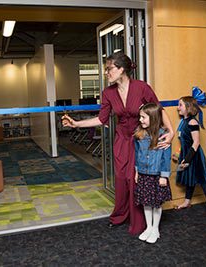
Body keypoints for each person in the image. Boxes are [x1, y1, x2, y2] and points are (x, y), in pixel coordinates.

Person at [62, 51, 174, 235]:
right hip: (121, 139)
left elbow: (158, 110)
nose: (106, 73)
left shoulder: (141, 87)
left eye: (109, 69)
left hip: (142, 139)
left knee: (135, 179)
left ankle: (140, 223)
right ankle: (120, 215)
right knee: (122, 180)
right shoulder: (108, 93)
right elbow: (101, 119)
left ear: (122, 69)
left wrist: (171, 132)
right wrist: (76, 124)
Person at [174, 96, 206, 227]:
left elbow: (196, 143)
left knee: (203, 182)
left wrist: (187, 159)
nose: (178, 108)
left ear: (188, 107)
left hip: (195, 156)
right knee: (190, 179)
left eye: (180, 105)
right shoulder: (183, 121)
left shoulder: (192, 122)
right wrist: (178, 155)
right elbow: (183, 142)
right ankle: (187, 201)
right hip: (186, 154)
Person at [134, 103, 172, 243]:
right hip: (144, 174)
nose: (140, 120)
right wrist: (137, 171)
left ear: (154, 117)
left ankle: (155, 229)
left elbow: (166, 157)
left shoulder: (164, 135)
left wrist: (164, 175)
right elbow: (137, 154)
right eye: (140, 117)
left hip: (157, 176)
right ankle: (148, 227)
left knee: (156, 203)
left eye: (143, 117)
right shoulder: (139, 134)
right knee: (146, 203)